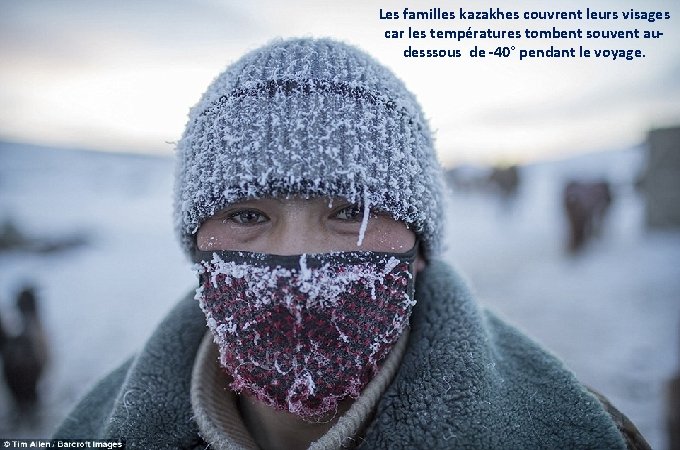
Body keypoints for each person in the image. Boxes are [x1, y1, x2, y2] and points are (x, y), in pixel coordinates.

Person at [54, 38, 649, 450]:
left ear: (417, 247)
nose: (295, 260)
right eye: (248, 214)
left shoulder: (577, 432)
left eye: (350, 213)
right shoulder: (87, 428)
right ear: (197, 243)